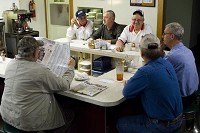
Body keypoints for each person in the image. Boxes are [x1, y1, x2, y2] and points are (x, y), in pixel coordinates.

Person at [0, 36, 76, 133]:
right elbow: (64, 85)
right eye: (38, 50)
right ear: (34, 53)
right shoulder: (39, 70)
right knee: (69, 115)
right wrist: (70, 68)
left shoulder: (10, 64)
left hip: (7, 116)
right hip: (26, 122)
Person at [117, 34, 183, 133]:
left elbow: (126, 92)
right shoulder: (167, 63)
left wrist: (130, 83)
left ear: (142, 52)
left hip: (163, 125)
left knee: (120, 123)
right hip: (178, 119)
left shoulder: (145, 72)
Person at [163, 22, 199, 109]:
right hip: (192, 94)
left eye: (164, 33)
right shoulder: (187, 51)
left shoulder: (172, 56)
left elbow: (155, 73)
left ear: (172, 36)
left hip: (182, 100)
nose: (162, 36)